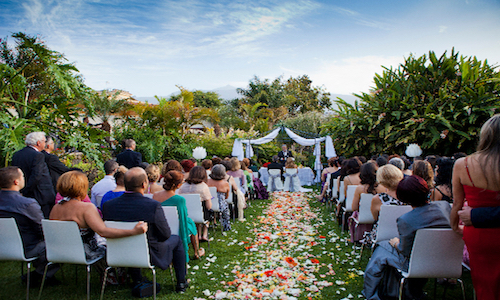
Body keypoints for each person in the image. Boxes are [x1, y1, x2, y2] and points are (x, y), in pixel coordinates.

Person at [362, 175, 451, 300]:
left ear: (403, 198)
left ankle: (370, 292)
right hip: (448, 260)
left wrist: (395, 243)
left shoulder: (406, 220)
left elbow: (404, 250)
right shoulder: (445, 207)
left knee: (383, 247)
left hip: (417, 263)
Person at [49, 171, 147, 281]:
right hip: (86, 253)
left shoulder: (56, 208)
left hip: (60, 251)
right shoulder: (86, 208)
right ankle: (117, 278)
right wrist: (133, 231)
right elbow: (103, 231)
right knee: (115, 247)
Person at [102, 167, 188, 292]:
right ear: (144, 184)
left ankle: (137, 279)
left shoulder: (108, 206)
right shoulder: (152, 206)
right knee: (176, 239)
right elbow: (165, 234)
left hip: (119, 251)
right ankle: (181, 282)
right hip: (149, 252)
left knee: (135, 241)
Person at [451, 114, 500, 299]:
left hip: (478, 233)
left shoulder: (463, 164)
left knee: (484, 284)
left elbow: (457, 203)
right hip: (481, 225)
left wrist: (455, 226)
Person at [0, 167, 59, 285]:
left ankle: (42, 274)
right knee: (60, 244)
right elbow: (42, 229)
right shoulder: (27, 204)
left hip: (3, 245)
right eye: (22, 176)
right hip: (27, 247)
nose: (24, 179)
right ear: (16, 182)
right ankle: (38, 275)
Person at [153, 170, 204, 260]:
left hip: (161, 226)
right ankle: (196, 252)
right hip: (176, 227)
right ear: (178, 185)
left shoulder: (155, 196)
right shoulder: (179, 199)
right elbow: (182, 217)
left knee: (190, 222)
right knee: (191, 223)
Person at [11, 131, 55, 218]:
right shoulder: (38, 155)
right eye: (44, 141)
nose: (45, 144)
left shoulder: (17, 154)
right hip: (40, 195)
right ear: (38, 143)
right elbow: (36, 175)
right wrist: (27, 190)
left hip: (22, 192)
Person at [349, 162, 382, 243]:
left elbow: (354, 207)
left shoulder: (359, 189)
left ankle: (357, 237)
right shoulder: (382, 188)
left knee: (353, 215)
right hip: (378, 218)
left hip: (362, 217)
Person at [178, 166, 213, 241]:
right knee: (206, 210)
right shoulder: (203, 187)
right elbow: (209, 206)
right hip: (201, 214)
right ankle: (204, 234)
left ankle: (198, 235)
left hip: (186, 212)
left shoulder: (183, 186)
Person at [207, 164, 231, 231]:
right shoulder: (225, 183)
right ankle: (226, 226)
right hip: (221, 206)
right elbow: (227, 196)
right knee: (226, 209)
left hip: (207, 205)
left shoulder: (207, 182)